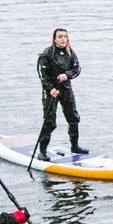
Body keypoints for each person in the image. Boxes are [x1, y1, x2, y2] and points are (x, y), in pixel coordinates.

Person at [36, 28, 85, 158]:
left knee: (73, 118)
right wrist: (50, 88)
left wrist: (67, 75)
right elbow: (42, 75)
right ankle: (42, 151)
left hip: (66, 89)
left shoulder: (70, 53)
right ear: (54, 39)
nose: (63, 39)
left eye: (65, 36)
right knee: (49, 122)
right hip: (50, 91)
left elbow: (77, 69)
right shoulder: (47, 54)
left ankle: (75, 146)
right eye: (60, 36)